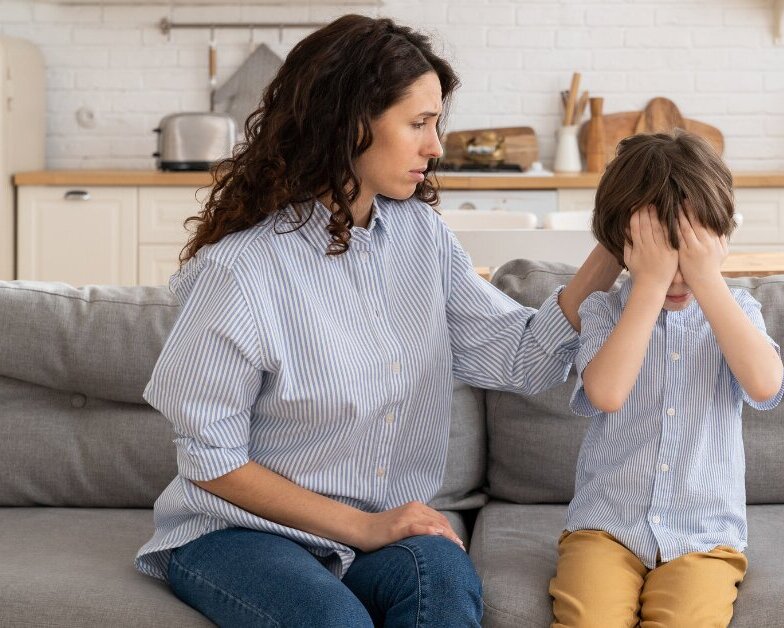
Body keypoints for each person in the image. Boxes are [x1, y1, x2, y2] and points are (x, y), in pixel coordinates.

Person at [133, 14, 620, 627]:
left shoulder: (421, 236)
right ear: (351, 123)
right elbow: (212, 459)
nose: (436, 145)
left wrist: (612, 244)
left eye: (436, 123)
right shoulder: (241, 272)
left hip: (380, 533)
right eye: (419, 124)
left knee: (441, 585)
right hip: (241, 533)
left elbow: (520, 356)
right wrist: (364, 526)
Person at [548, 131, 784, 628]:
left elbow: (765, 385)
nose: (676, 275)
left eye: (688, 255)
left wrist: (707, 278)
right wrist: (649, 285)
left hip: (703, 539)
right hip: (604, 529)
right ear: (621, 248)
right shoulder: (604, 311)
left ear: (721, 240)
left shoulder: (737, 311)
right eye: (658, 255)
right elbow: (607, 393)